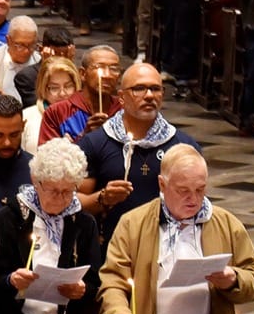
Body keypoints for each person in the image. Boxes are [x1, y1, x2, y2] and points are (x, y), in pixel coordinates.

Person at [99, 148, 254, 314]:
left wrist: (233, 280)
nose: (193, 199)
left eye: (200, 190)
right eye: (183, 191)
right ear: (162, 184)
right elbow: (113, 282)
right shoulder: (133, 224)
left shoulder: (227, 224)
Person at [0, 138, 100, 314]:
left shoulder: (84, 223)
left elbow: (94, 281)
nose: (61, 198)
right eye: (53, 190)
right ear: (36, 182)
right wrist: (11, 280)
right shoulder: (8, 219)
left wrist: (82, 289)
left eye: (68, 191)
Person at [78, 61, 200, 244]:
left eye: (155, 89)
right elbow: (74, 202)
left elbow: (198, 203)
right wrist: (102, 198)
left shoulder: (183, 145)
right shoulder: (96, 141)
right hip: (111, 247)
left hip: (165, 246)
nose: (149, 95)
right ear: (121, 97)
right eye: (139, 89)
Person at [22, 56, 81, 151]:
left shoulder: (86, 116)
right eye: (54, 88)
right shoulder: (27, 117)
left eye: (68, 86)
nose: (62, 93)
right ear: (43, 88)